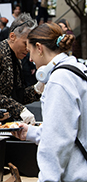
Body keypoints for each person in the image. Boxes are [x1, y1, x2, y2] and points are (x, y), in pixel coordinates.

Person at [12, 22, 87, 181]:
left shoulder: (59, 80)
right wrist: (31, 133)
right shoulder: (77, 70)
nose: (30, 58)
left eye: (30, 50)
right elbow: (70, 127)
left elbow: (55, 142)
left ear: (39, 48)